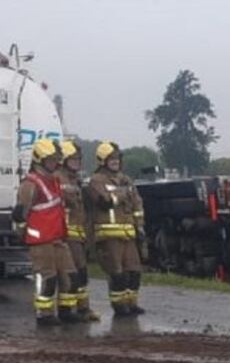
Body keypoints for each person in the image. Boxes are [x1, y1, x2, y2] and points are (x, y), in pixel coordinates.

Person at [12, 138, 80, 325]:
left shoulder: (54, 180)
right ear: (39, 160)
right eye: (51, 160)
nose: (54, 163)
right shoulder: (31, 183)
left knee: (70, 276)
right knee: (47, 278)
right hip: (41, 240)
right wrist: (22, 234)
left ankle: (66, 311)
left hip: (57, 237)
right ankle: (44, 313)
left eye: (56, 160)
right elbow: (21, 214)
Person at [86, 141, 146, 316]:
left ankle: (132, 303)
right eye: (111, 159)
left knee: (134, 271)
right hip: (109, 236)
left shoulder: (126, 179)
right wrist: (121, 194)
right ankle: (119, 306)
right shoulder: (96, 180)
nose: (115, 161)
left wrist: (140, 227)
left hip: (129, 234)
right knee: (117, 274)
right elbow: (104, 202)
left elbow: (137, 203)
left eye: (117, 158)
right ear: (102, 161)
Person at [56, 140, 100, 322]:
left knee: (81, 272)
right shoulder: (58, 178)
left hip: (79, 234)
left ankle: (83, 308)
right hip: (67, 235)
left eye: (78, 159)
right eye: (73, 159)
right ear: (64, 160)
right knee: (71, 273)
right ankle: (68, 310)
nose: (76, 162)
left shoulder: (76, 180)